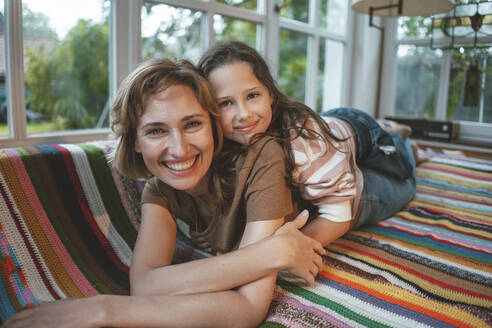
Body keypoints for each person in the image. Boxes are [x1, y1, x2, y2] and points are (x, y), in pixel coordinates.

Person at [2, 58, 325, 328]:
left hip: (357, 184)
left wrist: (109, 311)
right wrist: (273, 253)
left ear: (213, 126)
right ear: (136, 143)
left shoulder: (260, 155)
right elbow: (144, 286)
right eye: (156, 130)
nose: (179, 149)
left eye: (192, 124)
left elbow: (249, 307)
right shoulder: (159, 192)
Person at [198, 41, 418, 247]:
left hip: (361, 133)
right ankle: (390, 130)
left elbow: (337, 215)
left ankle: (403, 142)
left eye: (253, 96)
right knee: (334, 152)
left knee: (401, 168)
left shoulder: (302, 144)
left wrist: (287, 251)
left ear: (271, 95)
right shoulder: (215, 142)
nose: (243, 114)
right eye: (225, 103)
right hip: (331, 128)